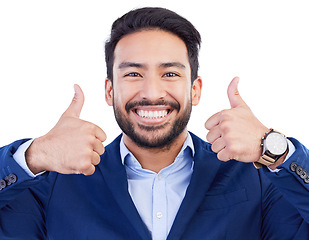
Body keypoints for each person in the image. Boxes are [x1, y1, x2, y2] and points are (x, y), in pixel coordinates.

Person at [0, 7, 308, 240]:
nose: (151, 93)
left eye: (170, 74)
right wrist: (34, 155)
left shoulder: (256, 176)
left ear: (195, 89)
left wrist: (275, 149)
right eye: (133, 74)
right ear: (110, 91)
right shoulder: (55, 183)